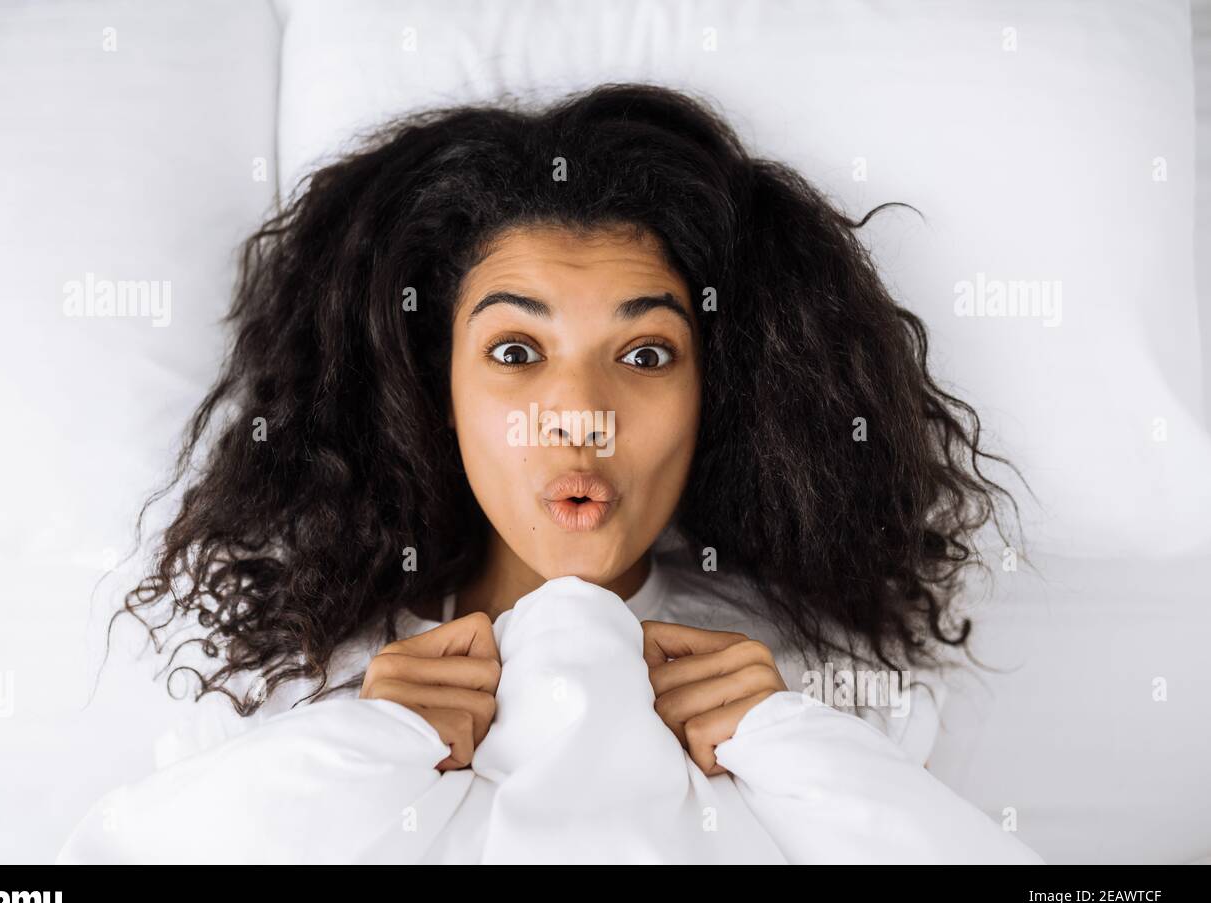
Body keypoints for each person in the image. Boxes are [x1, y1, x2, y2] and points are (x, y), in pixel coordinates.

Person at [61, 83, 1040, 863]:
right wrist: (356, 747)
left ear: (720, 395)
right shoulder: (288, 676)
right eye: (516, 353)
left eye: (647, 354)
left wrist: (795, 745)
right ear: (433, 387)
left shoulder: (834, 676)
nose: (579, 414)